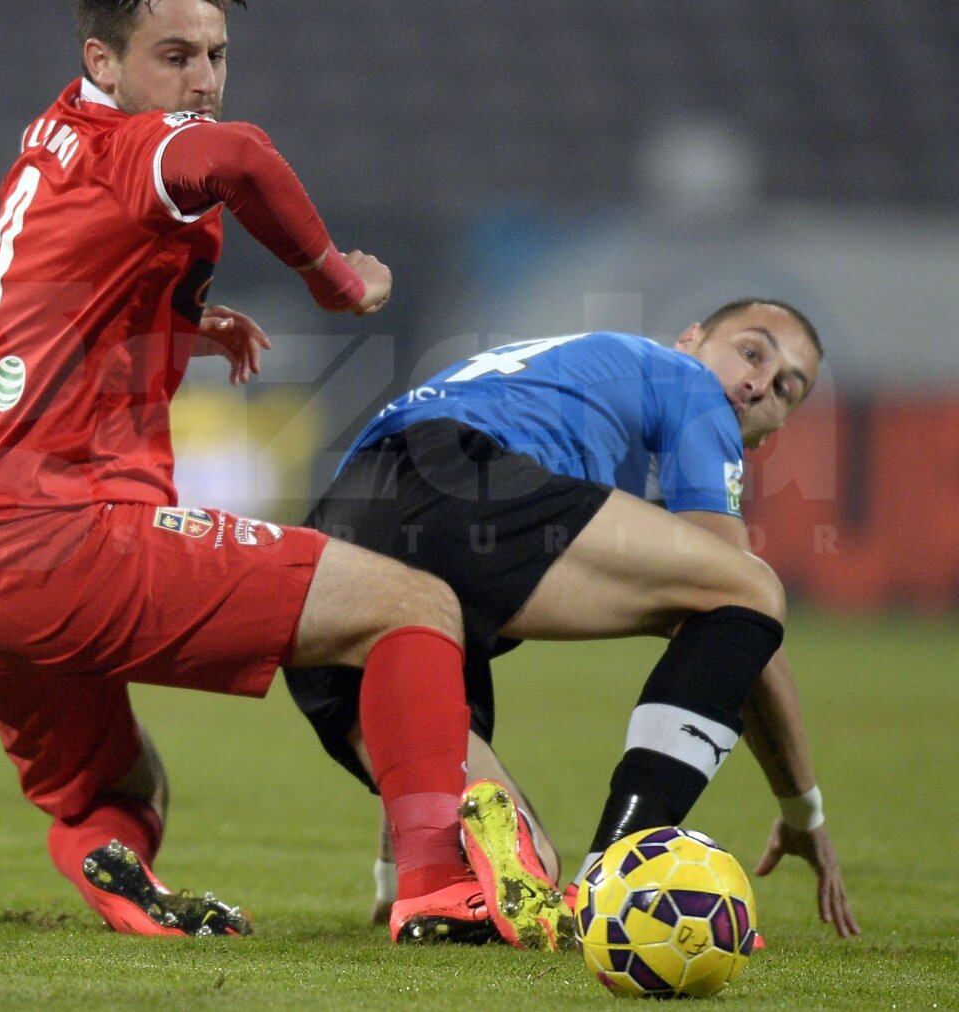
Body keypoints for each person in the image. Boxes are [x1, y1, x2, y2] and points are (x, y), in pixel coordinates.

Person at [0, 0, 565, 949]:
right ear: (103, 61)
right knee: (414, 607)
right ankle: (439, 890)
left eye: (216, 55)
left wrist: (179, 316)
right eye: (175, 56)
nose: (203, 82)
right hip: (69, 544)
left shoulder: (54, 140)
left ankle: (117, 878)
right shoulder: (143, 146)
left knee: (119, 788)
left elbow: (58, 282)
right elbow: (240, 158)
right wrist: (336, 282)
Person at [285, 298, 862, 940]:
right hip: (454, 483)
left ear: (773, 431)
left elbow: (403, 578)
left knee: (525, 869)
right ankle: (613, 872)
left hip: (335, 550)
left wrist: (393, 861)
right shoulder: (688, 382)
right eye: (752, 352)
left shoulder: (569, 379)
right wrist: (802, 808)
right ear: (690, 340)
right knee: (748, 589)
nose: (758, 384)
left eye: (785, 389)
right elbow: (744, 608)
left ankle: (424, 882)